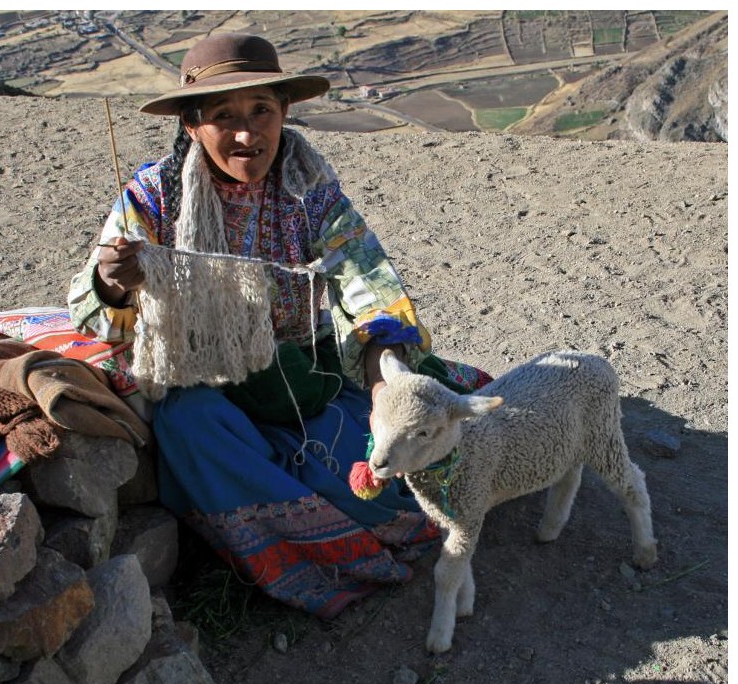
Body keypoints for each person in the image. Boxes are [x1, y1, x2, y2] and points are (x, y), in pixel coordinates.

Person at [68, 33, 492, 618]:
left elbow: (366, 282)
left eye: (261, 110)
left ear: (285, 112)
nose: (248, 133)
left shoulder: (309, 190)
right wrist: (115, 282)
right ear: (192, 124)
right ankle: (309, 557)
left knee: (390, 452)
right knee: (189, 426)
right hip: (204, 383)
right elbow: (92, 315)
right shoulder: (153, 198)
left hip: (301, 372)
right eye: (224, 116)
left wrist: (381, 394)